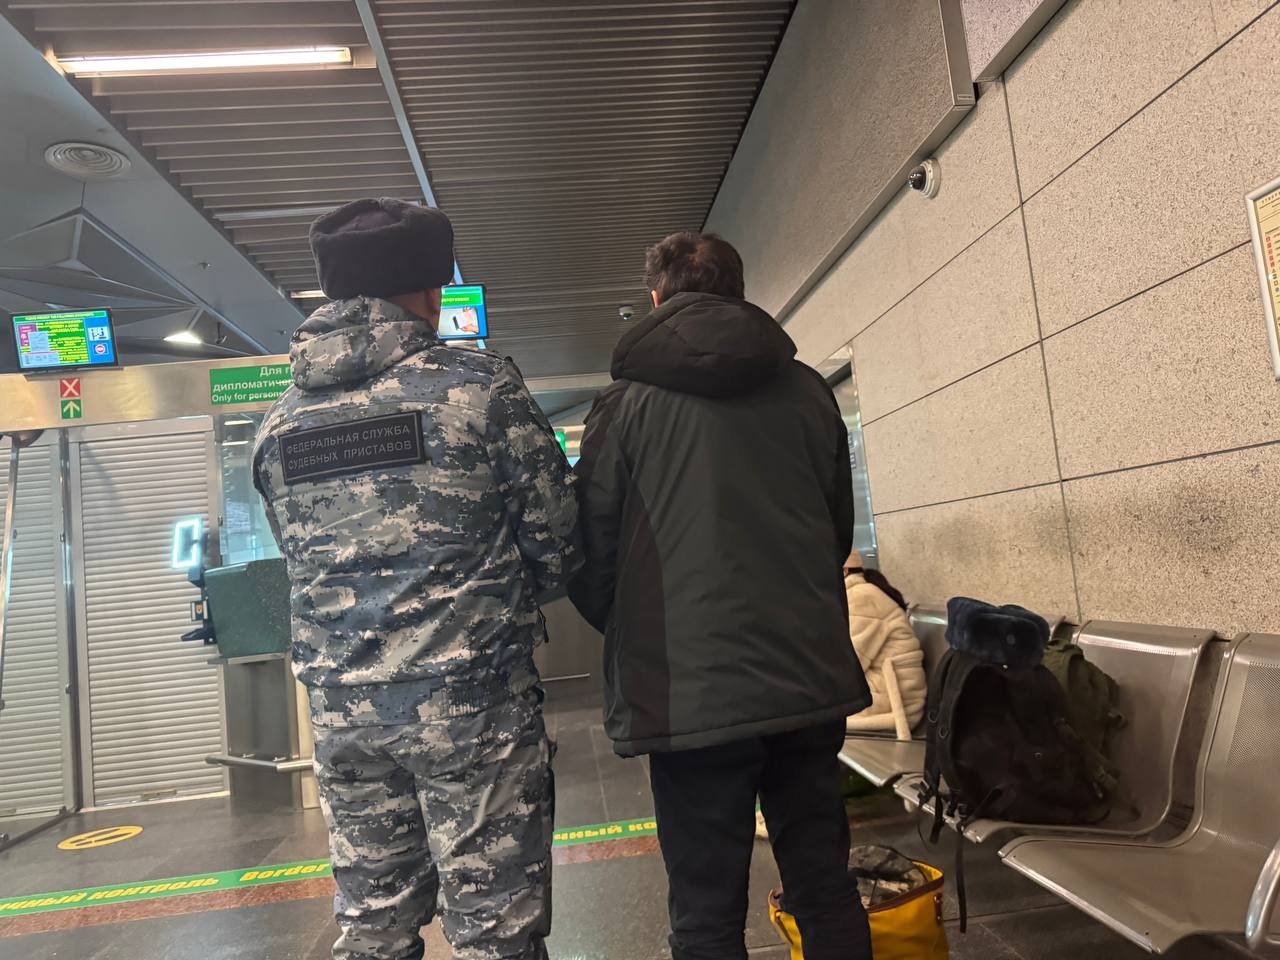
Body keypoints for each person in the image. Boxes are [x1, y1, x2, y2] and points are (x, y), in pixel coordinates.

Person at [252, 198, 581, 960]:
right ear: (431, 292)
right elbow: (557, 539)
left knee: (373, 926)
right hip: (473, 705)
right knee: (495, 928)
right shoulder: (479, 389)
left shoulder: (278, 426)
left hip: (343, 712)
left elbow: (299, 558)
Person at [568, 231, 874, 960]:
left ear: (656, 298)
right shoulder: (807, 391)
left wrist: (644, 627)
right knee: (825, 887)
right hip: (805, 674)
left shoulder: (623, 407)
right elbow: (836, 528)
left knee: (705, 913)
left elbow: (591, 553)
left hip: (688, 689)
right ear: (739, 290)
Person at [844, 552, 927, 740]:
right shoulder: (857, 594)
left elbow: (846, 664)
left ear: (844, 571)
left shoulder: (861, 597)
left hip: (893, 706)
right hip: (880, 697)